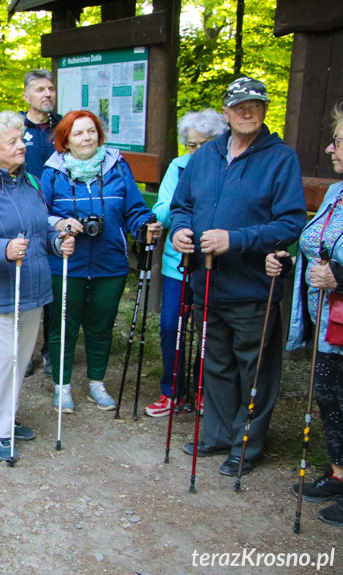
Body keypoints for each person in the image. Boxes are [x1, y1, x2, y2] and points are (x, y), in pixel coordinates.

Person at [170, 76, 306, 476]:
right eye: (240, 106)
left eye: (256, 106)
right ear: (226, 113)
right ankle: (218, 433)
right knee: (215, 361)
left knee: (255, 367)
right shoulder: (206, 154)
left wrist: (237, 239)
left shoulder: (280, 158)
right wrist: (180, 230)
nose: (248, 112)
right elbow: (182, 205)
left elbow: (290, 223)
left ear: (265, 111)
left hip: (253, 286)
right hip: (207, 282)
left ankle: (247, 443)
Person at [0, 111, 74, 461]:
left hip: (33, 287)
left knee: (19, 361)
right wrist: (1, 250)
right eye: (13, 141)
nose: (22, 145)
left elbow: (41, 230)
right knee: (1, 361)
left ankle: (2, 417)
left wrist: (56, 242)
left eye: (21, 139)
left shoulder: (32, 183)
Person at [42, 110, 162, 413]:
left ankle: (97, 383)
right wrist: (59, 223)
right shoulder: (52, 172)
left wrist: (146, 226)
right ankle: (62, 386)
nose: (86, 138)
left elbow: (134, 209)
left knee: (101, 326)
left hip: (110, 262)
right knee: (62, 326)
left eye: (91, 131)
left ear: (99, 134)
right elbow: (38, 214)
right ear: (66, 140)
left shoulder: (117, 167)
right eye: (78, 133)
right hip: (66, 263)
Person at [267, 103, 343, 526]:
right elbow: (316, 246)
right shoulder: (336, 193)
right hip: (329, 324)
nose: (331, 149)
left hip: (340, 311)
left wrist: (340, 276)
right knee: (332, 397)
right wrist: (288, 261)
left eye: (339, 141)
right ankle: (339, 473)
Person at [145, 109, 227, 417]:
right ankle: (172, 391)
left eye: (203, 144)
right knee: (170, 326)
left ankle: (204, 390)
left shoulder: (227, 167)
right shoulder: (178, 167)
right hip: (177, 263)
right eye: (191, 145)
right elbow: (163, 210)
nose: (196, 152)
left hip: (213, 264)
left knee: (208, 329)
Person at [20, 69, 63, 376]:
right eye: (39, 89)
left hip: (59, 217)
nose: (46, 94)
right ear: (27, 96)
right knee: (26, 283)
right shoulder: (16, 128)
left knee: (53, 282)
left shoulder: (65, 126)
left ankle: (51, 348)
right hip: (24, 212)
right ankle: (24, 352)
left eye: (50, 88)